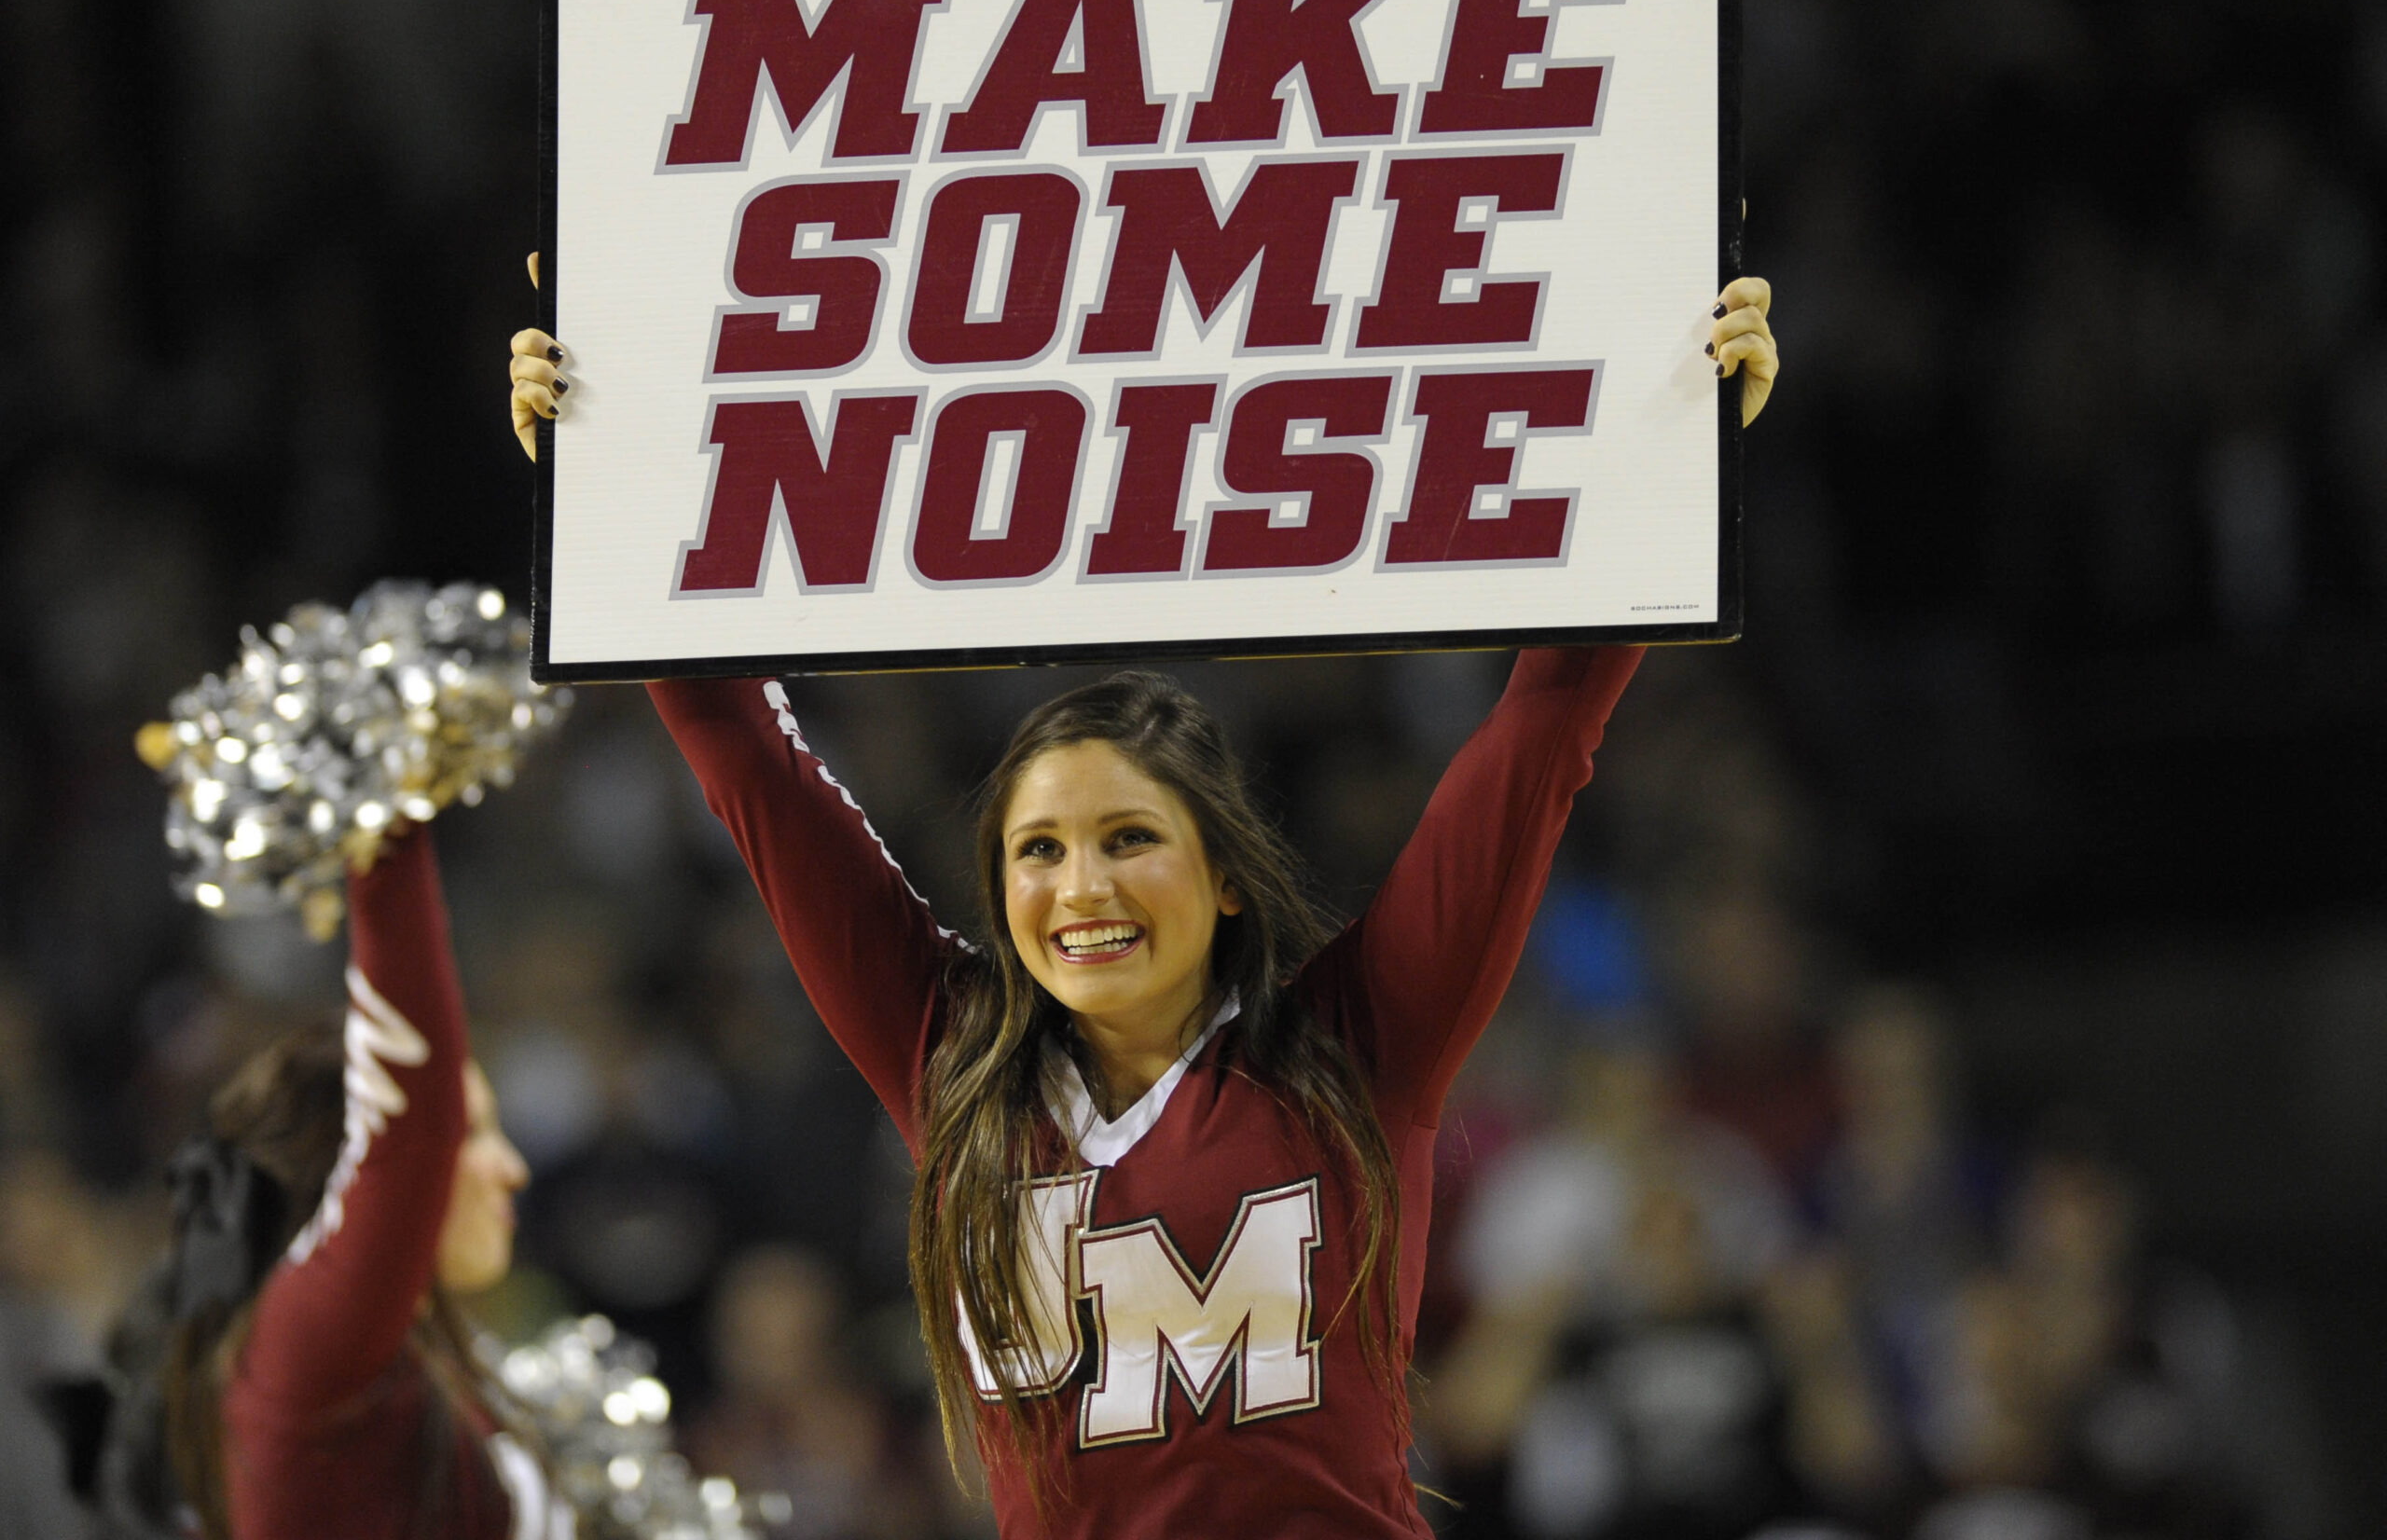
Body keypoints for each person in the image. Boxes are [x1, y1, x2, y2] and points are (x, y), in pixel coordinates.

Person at [507, 268, 1779, 1538]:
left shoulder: (1354, 1045)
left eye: (1129, 839)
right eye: (1039, 852)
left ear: (1224, 875)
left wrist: (1673, 430)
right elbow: (749, 767)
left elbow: (1542, 735)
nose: (1083, 888)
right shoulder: (951, 1065)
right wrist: (609, 450)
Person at [90, 823, 552, 1540]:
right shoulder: (302, 1356)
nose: (513, 1169)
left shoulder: (414, 1365)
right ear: (352, 1179)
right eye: (475, 1135)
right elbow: (414, 1128)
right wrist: (385, 825)